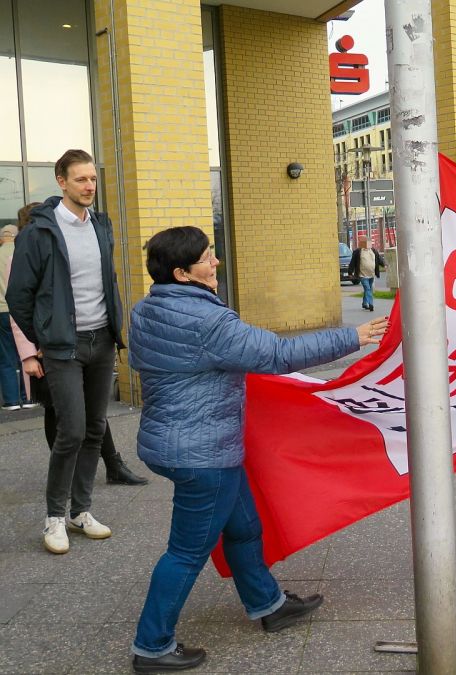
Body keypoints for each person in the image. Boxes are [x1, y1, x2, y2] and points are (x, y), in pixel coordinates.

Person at [127, 225, 388, 673]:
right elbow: (275, 354)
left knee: (244, 526)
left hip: (177, 442)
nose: (216, 263)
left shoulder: (147, 309)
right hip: (201, 452)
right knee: (186, 552)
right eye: (207, 258)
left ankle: (268, 604)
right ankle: (151, 646)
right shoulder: (207, 321)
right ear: (182, 273)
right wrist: (353, 337)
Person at [6, 149, 125, 555]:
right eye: (81, 180)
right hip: (63, 346)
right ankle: (54, 517)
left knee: (94, 428)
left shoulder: (101, 225)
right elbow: (17, 295)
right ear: (61, 181)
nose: (89, 186)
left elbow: (106, 280)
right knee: (71, 430)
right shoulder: (39, 232)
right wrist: (43, 337)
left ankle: (81, 510)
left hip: (101, 339)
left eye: (93, 179)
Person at [8, 202, 146, 486]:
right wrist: (31, 352)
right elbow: (20, 305)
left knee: (91, 414)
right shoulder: (27, 248)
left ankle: (111, 464)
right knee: (58, 413)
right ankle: (67, 478)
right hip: (50, 344)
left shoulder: (75, 240)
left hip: (79, 339)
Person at [0, 223, 33, 411]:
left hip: (1, 311)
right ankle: (28, 397)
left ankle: (12, 401)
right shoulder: (23, 251)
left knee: (6, 357)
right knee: (26, 353)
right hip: (21, 310)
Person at [348, 234, 384, 311]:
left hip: (371, 274)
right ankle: (371, 304)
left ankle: (364, 303)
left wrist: (384, 265)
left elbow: (379, 259)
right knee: (368, 289)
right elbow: (352, 262)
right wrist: (350, 273)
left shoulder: (373, 250)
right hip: (362, 275)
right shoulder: (358, 252)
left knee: (368, 289)